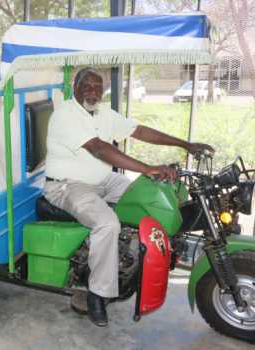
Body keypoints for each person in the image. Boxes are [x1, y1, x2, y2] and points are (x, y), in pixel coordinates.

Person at [44, 67, 214, 327]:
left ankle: (136, 259)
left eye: (98, 87)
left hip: (102, 180)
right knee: (107, 223)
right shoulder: (66, 114)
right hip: (68, 186)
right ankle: (97, 294)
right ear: (75, 88)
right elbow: (99, 149)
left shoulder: (101, 113)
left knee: (152, 194)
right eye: (87, 86)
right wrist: (147, 168)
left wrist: (185, 145)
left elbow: (139, 131)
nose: (93, 91)